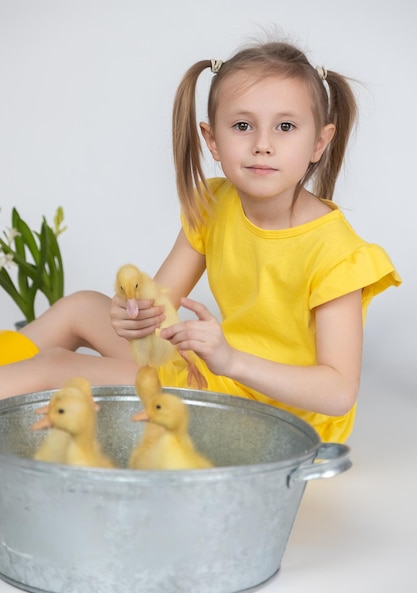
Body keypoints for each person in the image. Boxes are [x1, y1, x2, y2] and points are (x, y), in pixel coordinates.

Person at [0, 40, 401, 443]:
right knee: (81, 306)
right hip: (212, 373)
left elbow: (337, 393)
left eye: (286, 126)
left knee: (56, 367)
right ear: (212, 139)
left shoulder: (338, 254)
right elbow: (158, 308)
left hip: (272, 417)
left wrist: (230, 360)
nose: (263, 143)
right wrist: (134, 315)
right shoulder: (214, 203)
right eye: (242, 126)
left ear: (319, 142)